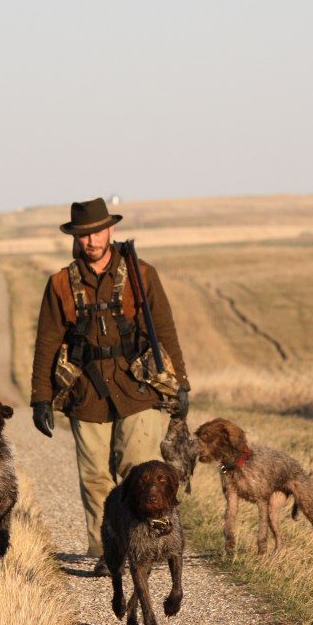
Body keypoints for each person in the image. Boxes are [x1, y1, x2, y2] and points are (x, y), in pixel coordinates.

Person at [31, 197, 190, 574]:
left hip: (140, 389)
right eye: (83, 235)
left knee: (138, 470)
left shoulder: (142, 274)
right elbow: (46, 343)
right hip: (86, 393)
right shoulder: (60, 284)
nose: (91, 241)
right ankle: (109, 550)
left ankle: (146, 546)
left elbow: (164, 329)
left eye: (97, 232)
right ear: (75, 237)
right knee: (95, 475)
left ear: (110, 230)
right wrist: (40, 398)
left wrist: (180, 384)